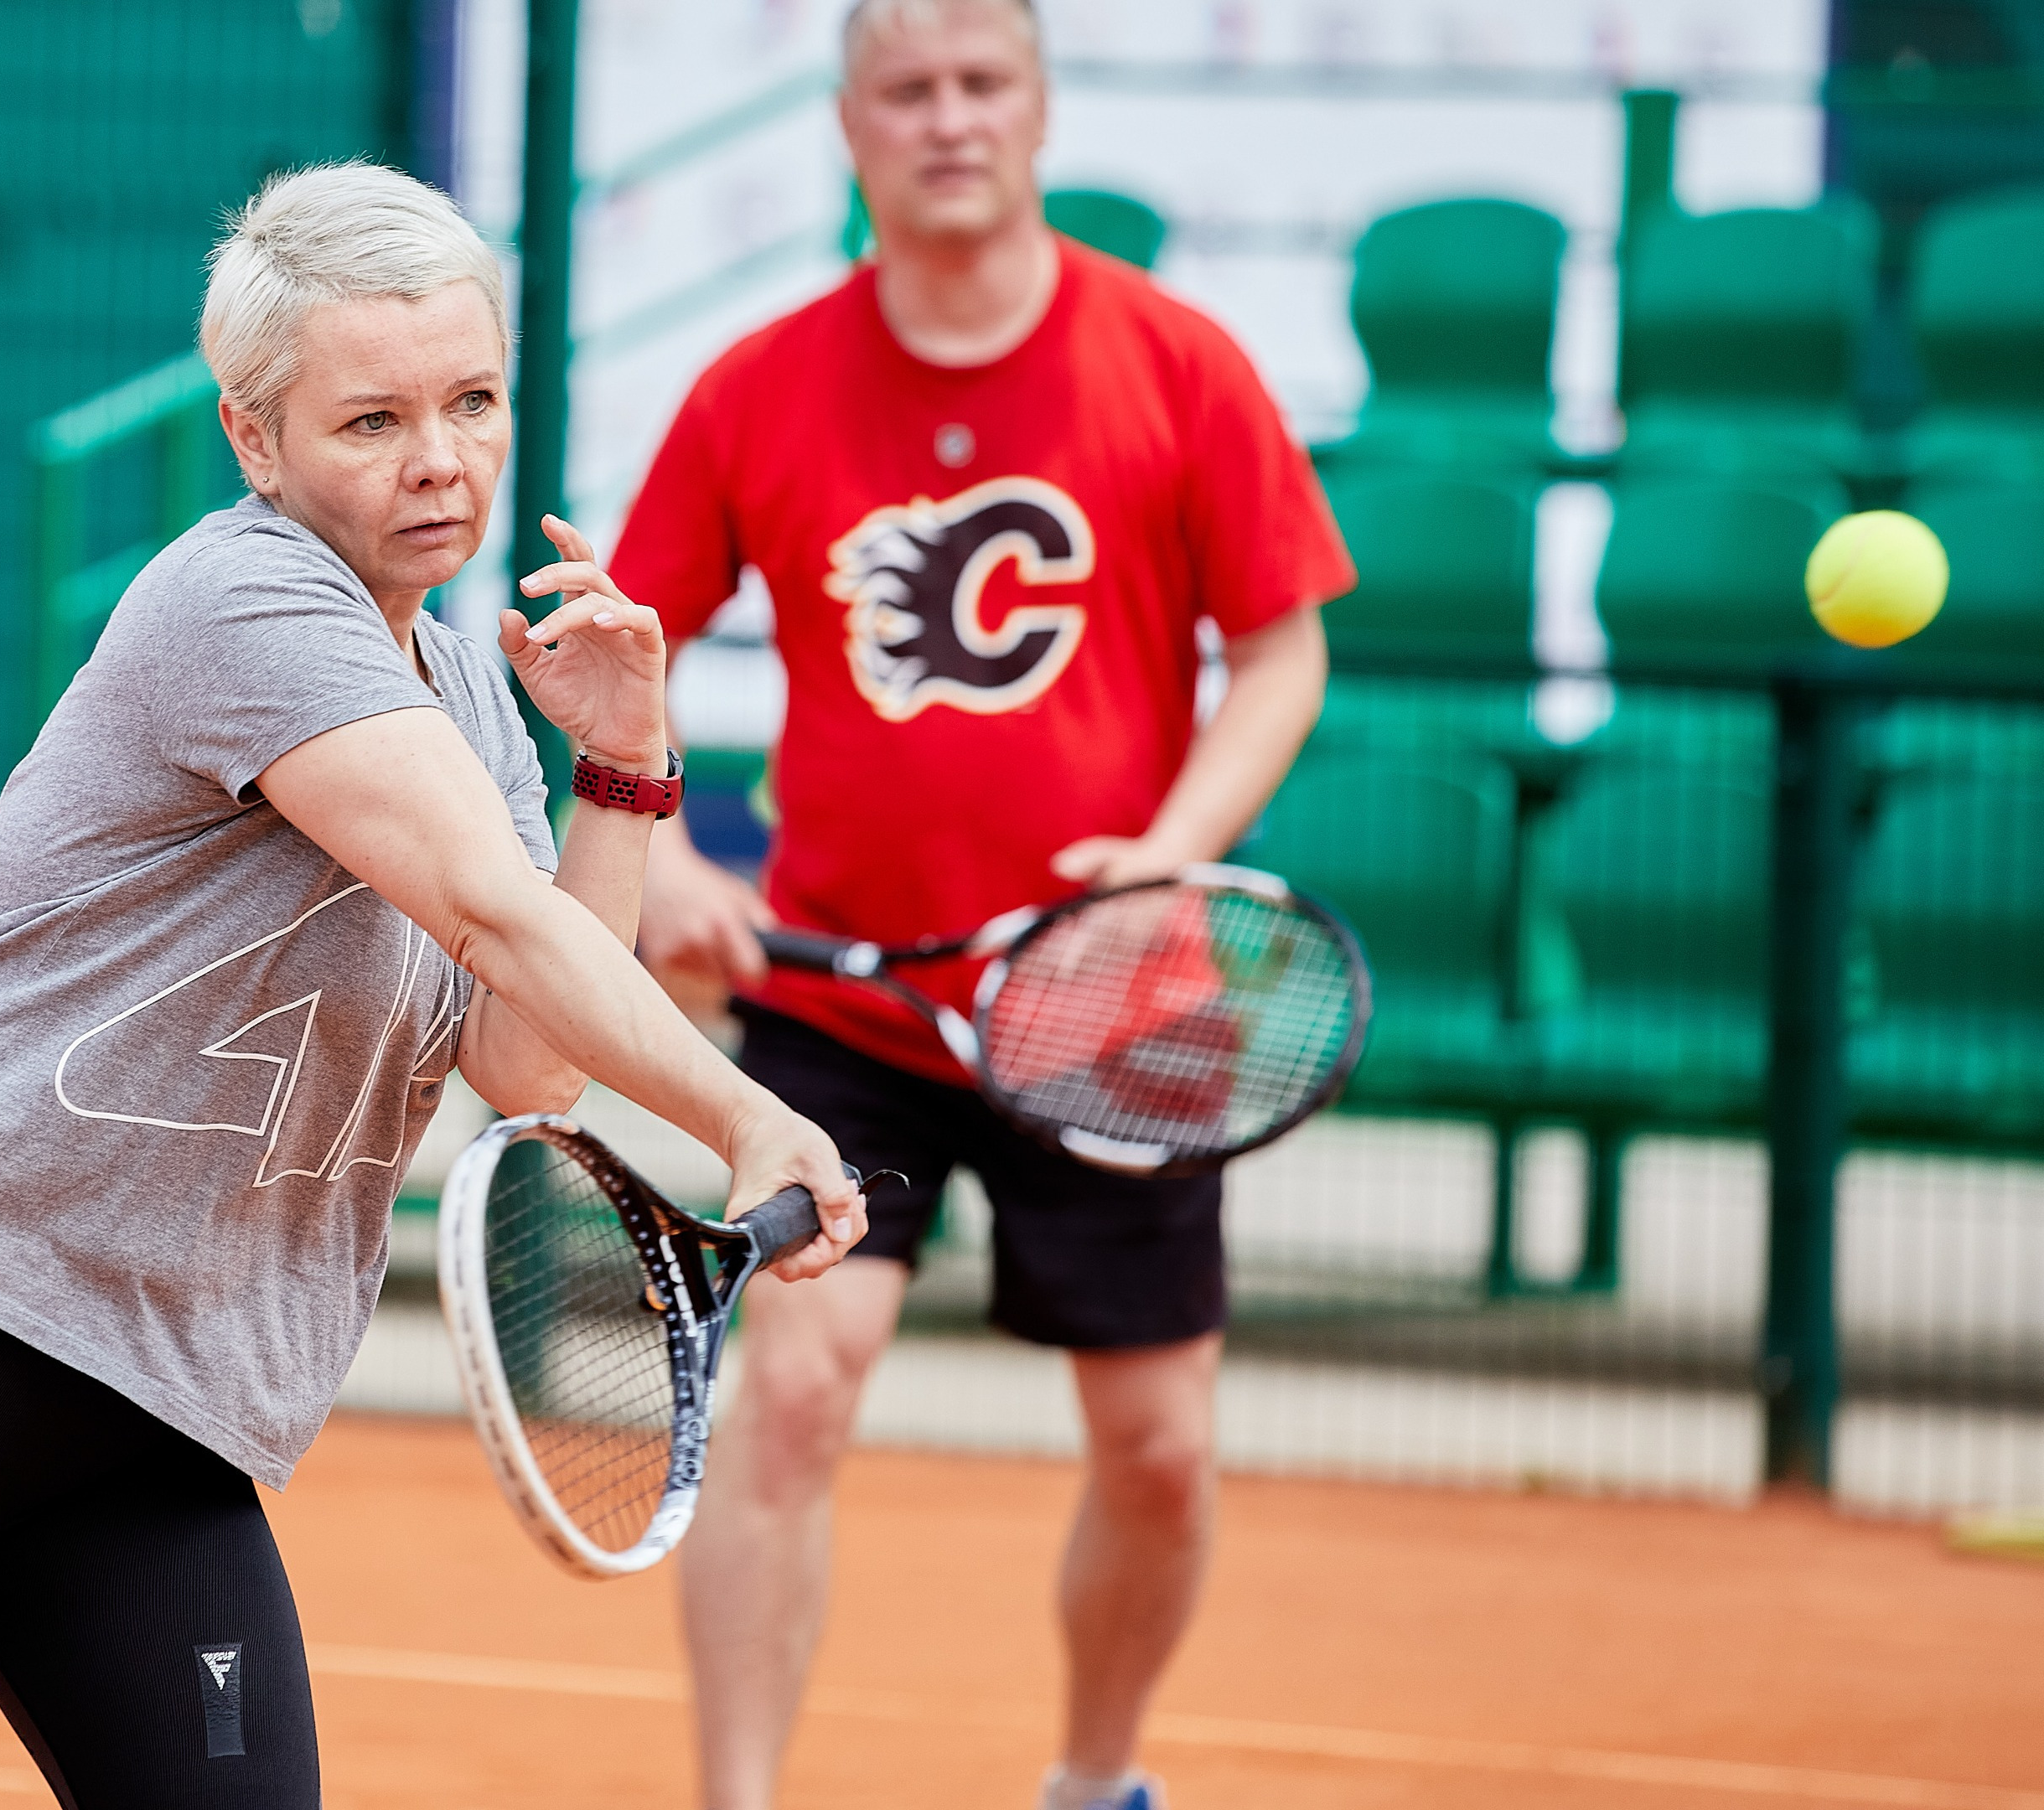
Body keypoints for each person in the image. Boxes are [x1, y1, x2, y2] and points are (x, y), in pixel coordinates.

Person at [0, 161, 865, 1810]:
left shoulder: (466, 689)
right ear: (256, 439)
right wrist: (749, 1117)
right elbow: (486, 912)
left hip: (154, 1407)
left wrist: (621, 765)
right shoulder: (240, 595)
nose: (441, 460)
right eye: (371, 420)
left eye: (470, 401)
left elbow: (529, 1066)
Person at [611, 5, 1354, 1807]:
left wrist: (1175, 844)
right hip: (839, 1013)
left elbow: (1281, 653)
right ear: (852, 125)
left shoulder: (1176, 363)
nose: (949, 120)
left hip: (1130, 1000)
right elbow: (608, 663)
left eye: (982, 85)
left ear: (1036, 111)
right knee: (793, 1388)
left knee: (1162, 1450)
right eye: (909, 90)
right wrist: (676, 857)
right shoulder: (755, 387)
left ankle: (1097, 1781)